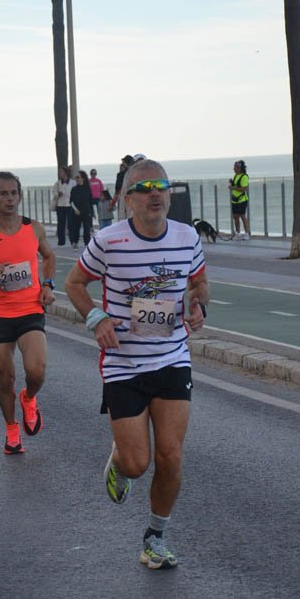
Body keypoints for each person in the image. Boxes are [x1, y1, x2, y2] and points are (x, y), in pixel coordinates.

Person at [65, 159, 209, 570]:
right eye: (144, 187)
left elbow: (199, 283)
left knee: (171, 456)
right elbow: (74, 283)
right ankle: (120, 460)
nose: (155, 194)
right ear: (128, 200)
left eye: (160, 186)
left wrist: (199, 306)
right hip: (124, 365)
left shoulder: (186, 237)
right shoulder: (108, 241)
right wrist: (96, 317)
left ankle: (155, 537)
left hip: (171, 358)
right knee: (137, 463)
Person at [0, 171, 56, 455]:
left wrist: (48, 285)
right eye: (3, 194)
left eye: (13, 193)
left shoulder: (34, 228)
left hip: (30, 309)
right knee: (5, 377)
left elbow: (49, 256)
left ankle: (29, 398)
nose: (9, 198)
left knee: (36, 371)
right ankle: (11, 429)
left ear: (20, 195)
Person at [52, 166, 75, 246]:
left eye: (61, 172)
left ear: (65, 173)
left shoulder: (72, 183)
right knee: (60, 224)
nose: (60, 173)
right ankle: (61, 241)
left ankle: (72, 240)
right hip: (60, 205)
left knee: (71, 224)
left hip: (69, 205)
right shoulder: (58, 183)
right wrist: (58, 194)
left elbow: (75, 194)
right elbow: (54, 192)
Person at [69, 170, 93, 249]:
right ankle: (75, 242)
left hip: (86, 211)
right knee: (76, 228)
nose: (77, 179)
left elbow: (90, 201)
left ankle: (87, 244)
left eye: (78, 177)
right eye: (76, 177)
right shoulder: (74, 189)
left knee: (87, 228)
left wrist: (92, 213)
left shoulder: (88, 189)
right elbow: (71, 201)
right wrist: (75, 210)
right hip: (76, 212)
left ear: (83, 178)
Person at [229, 159, 250, 239]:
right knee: (235, 216)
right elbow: (236, 185)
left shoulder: (244, 176)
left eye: (235, 167)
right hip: (234, 200)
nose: (233, 169)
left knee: (242, 216)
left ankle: (247, 233)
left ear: (239, 168)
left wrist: (233, 187)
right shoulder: (236, 176)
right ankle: (238, 233)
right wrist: (232, 183)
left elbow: (244, 188)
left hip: (242, 200)